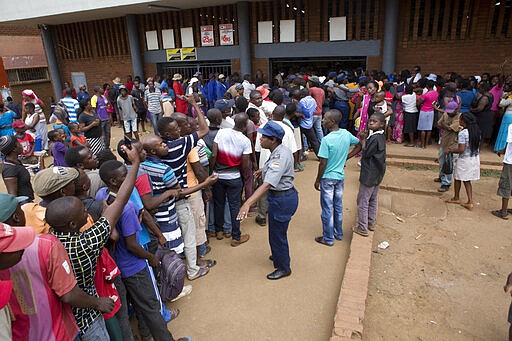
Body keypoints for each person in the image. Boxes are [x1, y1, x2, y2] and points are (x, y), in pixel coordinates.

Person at [46, 144, 141, 340]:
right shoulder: (86, 243)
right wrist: (135, 162)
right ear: (72, 224)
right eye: (82, 212)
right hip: (88, 319)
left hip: (64, 322)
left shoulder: (47, 241)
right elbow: (121, 200)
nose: (86, 212)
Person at [0, 193, 115, 341]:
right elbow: (68, 294)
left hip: (20, 334)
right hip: (58, 331)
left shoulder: (6, 257)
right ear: (17, 217)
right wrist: (98, 303)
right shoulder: (46, 244)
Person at [96, 160, 181, 341]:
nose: (129, 178)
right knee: (150, 306)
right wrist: (151, 257)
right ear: (113, 181)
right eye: (123, 176)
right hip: (133, 266)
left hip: (115, 265)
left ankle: (142, 334)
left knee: (127, 309)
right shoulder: (126, 208)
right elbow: (132, 245)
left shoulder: (101, 195)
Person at [141, 134, 217, 280]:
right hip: (170, 210)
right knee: (189, 237)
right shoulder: (165, 169)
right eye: (161, 144)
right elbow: (179, 192)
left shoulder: (143, 166)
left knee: (165, 243)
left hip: (156, 212)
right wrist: (205, 184)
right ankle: (191, 271)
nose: (165, 145)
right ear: (153, 151)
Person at [237, 121, 298, 280]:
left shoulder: (279, 155)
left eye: (264, 137)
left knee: (278, 235)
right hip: (280, 197)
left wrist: (247, 203)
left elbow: (267, 185)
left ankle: (283, 267)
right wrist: (264, 170)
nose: (260, 139)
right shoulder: (280, 150)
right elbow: (277, 168)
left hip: (282, 199)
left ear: (273, 140)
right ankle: (278, 255)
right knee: (276, 232)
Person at [314, 109, 361, 246]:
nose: (322, 120)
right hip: (340, 177)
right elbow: (359, 145)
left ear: (332, 122)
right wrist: (346, 157)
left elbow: (323, 163)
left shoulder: (326, 140)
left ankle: (328, 238)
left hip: (327, 178)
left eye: (325, 119)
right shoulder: (346, 134)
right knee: (338, 206)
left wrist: (317, 180)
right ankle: (338, 233)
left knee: (327, 208)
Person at [210, 113, 252, 246]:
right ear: (245, 126)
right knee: (234, 206)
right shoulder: (245, 140)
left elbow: (214, 154)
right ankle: (236, 236)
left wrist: (212, 171)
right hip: (234, 177)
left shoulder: (222, 132)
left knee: (218, 203)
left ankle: (219, 231)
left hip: (218, 175)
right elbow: (245, 164)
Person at [351, 113, 387, 237]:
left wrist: (363, 139)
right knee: (373, 198)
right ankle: (371, 223)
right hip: (378, 172)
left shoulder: (374, 138)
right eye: (370, 121)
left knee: (363, 200)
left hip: (369, 173)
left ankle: (362, 227)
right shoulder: (381, 136)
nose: (371, 123)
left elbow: (365, 153)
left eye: (374, 121)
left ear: (381, 124)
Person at [445, 112, 481, 211]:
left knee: (458, 177)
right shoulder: (476, 131)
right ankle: (467, 200)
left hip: (464, 159)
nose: (459, 121)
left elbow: (461, 149)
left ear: (464, 121)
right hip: (474, 158)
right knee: (466, 179)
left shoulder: (463, 133)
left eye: (460, 119)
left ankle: (461, 199)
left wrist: (450, 150)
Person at [435, 90, 461, 192]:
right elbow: (438, 124)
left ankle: (446, 183)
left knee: (449, 164)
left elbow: (450, 128)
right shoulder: (446, 114)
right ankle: (441, 177)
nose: (449, 114)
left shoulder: (459, 117)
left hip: (453, 145)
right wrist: (445, 126)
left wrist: (444, 126)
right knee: (442, 161)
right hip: (444, 142)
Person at [0, 136, 34, 202]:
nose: (21, 145)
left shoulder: (16, 162)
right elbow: (13, 196)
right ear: (14, 149)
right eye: (18, 143)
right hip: (23, 205)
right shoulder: (10, 169)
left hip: (28, 201)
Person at [493, 124, 512, 219]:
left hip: (510, 162)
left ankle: (503, 211)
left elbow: (510, 143)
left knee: (506, 183)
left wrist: (502, 151)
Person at [470, 81, 494, 147]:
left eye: (479, 88)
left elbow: (479, 109)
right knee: (482, 134)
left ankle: (476, 149)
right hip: (487, 116)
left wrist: (471, 110)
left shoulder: (484, 98)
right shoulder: (491, 95)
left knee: (479, 133)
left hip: (482, 117)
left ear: (483, 89)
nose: (478, 89)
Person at [417, 80, 438, 149]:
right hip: (431, 111)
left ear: (427, 86)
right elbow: (436, 102)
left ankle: (422, 145)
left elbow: (418, 103)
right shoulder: (436, 93)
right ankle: (426, 144)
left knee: (423, 129)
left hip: (424, 111)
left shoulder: (425, 95)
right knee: (429, 129)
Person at [495, 84, 512, 152]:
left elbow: (501, 104)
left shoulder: (510, 99)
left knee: (505, 132)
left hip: (508, 116)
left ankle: (501, 148)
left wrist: (504, 97)